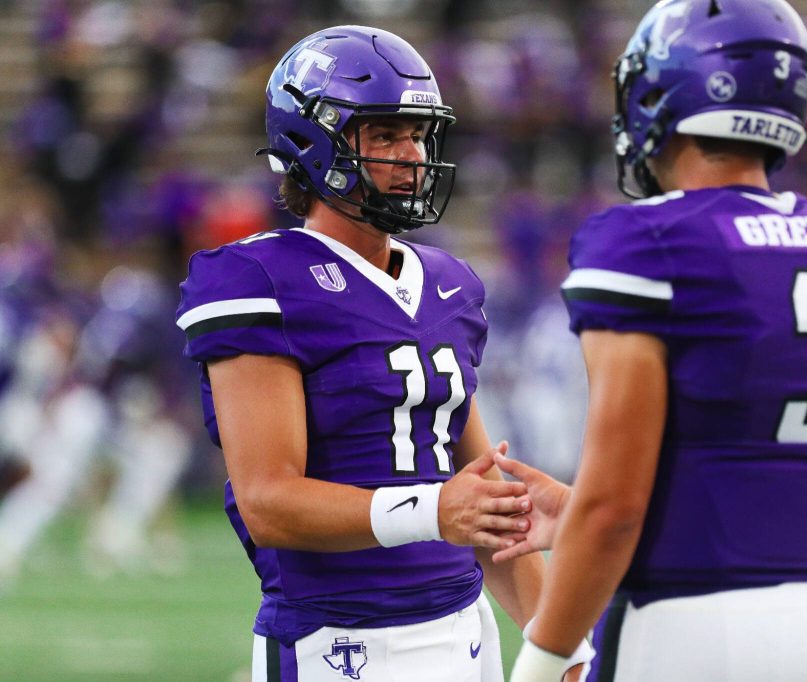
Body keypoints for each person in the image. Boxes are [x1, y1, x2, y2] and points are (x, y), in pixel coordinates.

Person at [494, 1, 807, 680]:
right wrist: (580, 510)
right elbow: (752, 456)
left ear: (666, 92)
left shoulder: (644, 241)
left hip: (691, 627)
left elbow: (615, 507)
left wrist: (541, 660)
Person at [175, 26, 588, 682]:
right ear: (315, 143)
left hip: (466, 628)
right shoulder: (258, 279)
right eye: (386, 135)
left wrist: (563, 651)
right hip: (342, 641)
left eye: (418, 135)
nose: (412, 155)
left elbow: (481, 501)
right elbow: (268, 501)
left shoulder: (449, 283)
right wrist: (434, 511)